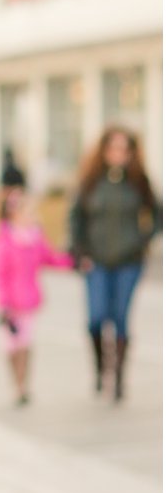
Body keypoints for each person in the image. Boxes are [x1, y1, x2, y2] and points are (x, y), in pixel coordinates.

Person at [68, 126, 162, 402]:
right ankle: (101, 368)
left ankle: (119, 379)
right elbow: (76, 218)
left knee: (120, 317)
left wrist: (144, 240)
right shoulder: (90, 182)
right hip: (95, 259)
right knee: (96, 318)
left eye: (124, 149)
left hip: (129, 260)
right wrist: (79, 249)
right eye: (113, 148)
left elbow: (157, 214)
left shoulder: (139, 181)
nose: (118, 154)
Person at [0, 187, 73, 406]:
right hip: (7, 306)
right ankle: (16, 381)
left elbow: (50, 258)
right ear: (14, 214)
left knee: (25, 343)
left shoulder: (35, 240)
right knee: (10, 346)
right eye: (28, 213)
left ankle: (22, 386)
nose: (33, 217)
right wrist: (3, 305)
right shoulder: (1, 242)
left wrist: (73, 262)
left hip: (28, 302)